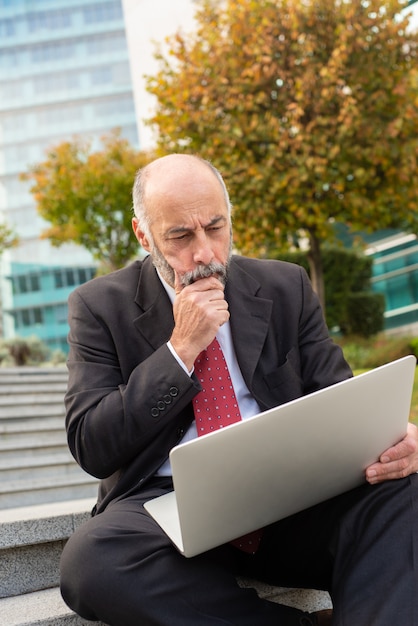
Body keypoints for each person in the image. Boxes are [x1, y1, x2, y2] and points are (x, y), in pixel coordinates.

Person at [60, 153, 418, 626]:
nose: (205, 253)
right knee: (91, 563)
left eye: (216, 227)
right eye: (180, 236)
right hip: (171, 508)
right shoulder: (98, 306)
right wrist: (179, 351)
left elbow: (339, 397)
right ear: (143, 235)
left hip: (291, 496)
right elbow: (92, 444)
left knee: (406, 491)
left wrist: (395, 437)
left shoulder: (285, 284)